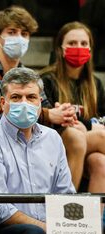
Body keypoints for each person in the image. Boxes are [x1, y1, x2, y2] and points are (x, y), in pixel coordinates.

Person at [0, 67, 105, 234]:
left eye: (31, 97)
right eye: (16, 97)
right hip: (6, 232)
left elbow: (65, 193)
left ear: (40, 102)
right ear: (3, 103)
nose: (24, 103)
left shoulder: (53, 138)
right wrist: (53, 233)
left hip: (51, 229)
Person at [0, 6, 76, 143]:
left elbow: (45, 109)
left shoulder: (29, 75)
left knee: (78, 138)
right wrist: (50, 115)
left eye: (24, 34)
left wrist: (61, 113)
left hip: (21, 138)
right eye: (12, 32)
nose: (19, 38)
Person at [40, 21, 105, 193]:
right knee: (90, 136)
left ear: (90, 50)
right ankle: (66, 206)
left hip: (85, 139)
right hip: (53, 140)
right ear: (60, 49)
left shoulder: (95, 84)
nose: (79, 47)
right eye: (72, 43)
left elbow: (102, 118)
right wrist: (87, 126)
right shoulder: (46, 79)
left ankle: (95, 219)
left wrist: (86, 126)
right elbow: (43, 118)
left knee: (100, 162)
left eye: (84, 44)